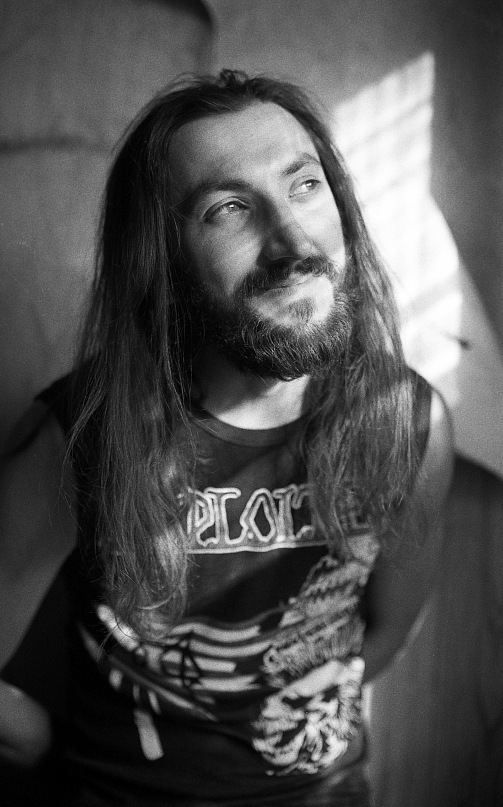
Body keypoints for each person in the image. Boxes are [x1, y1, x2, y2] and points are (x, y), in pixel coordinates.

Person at [0, 69, 453, 806]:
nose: (292, 242)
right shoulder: (84, 434)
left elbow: (388, 631)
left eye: (305, 186)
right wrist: (50, 750)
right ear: (162, 259)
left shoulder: (407, 423)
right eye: (229, 208)